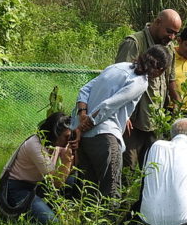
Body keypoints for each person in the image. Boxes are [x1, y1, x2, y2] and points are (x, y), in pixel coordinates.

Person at [71, 45, 171, 201]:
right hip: (105, 136)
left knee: (88, 189)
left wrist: (82, 115)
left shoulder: (116, 67)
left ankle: (84, 224)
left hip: (87, 137)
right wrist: (83, 125)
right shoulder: (140, 81)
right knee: (111, 191)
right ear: (160, 70)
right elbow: (108, 105)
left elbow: (85, 89)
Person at [115, 9, 182, 175]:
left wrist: (178, 103)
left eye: (175, 33)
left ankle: (145, 202)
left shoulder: (169, 48)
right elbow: (120, 80)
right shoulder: (135, 43)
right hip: (133, 120)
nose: (172, 37)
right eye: (169, 31)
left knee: (153, 169)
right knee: (126, 169)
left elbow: (170, 79)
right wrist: (124, 116)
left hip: (156, 119)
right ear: (157, 23)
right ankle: (121, 201)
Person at [2, 112, 75, 225]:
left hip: (40, 185)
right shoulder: (35, 146)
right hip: (18, 187)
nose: (68, 140)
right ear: (55, 135)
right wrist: (67, 158)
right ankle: (31, 216)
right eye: (66, 136)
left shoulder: (56, 144)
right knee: (52, 224)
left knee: (74, 181)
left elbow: (70, 172)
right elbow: (57, 183)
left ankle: (46, 210)